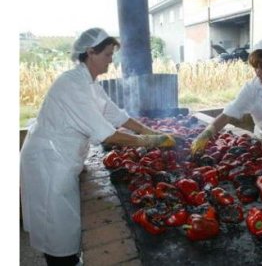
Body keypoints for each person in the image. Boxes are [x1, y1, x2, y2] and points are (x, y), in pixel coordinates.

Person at [20, 27, 175, 266]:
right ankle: (63, 262)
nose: (111, 61)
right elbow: (107, 134)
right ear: (90, 52)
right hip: (48, 161)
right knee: (56, 225)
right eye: (107, 55)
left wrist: (152, 132)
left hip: (61, 158)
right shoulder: (72, 85)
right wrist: (150, 142)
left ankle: (69, 259)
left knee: (63, 222)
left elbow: (117, 115)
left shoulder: (91, 83)